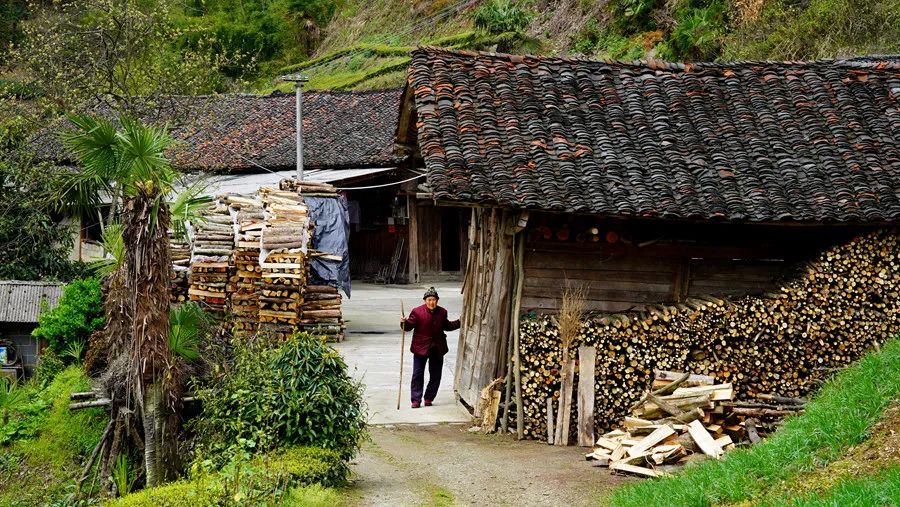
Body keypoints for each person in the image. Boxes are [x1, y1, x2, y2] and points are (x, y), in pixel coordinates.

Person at [400, 287, 460, 408]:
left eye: (434, 300)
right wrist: (404, 322)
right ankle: (416, 400)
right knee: (417, 374)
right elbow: (408, 327)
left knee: (436, 375)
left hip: (437, 348)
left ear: (437, 301)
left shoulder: (442, 312)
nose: (431, 302)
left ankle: (429, 398)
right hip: (420, 348)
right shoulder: (417, 312)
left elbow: (447, 326)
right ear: (425, 300)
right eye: (429, 300)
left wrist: (460, 322)